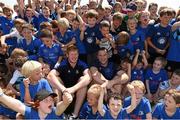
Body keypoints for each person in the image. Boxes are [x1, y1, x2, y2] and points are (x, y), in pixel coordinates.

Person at [47, 45, 91, 118]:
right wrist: (64, 89)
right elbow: (50, 76)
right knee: (56, 80)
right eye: (72, 54)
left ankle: (75, 115)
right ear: (67, 55)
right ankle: (59, 112)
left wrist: (73, 89)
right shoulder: (63, 64)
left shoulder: (81, 64)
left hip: (76, 92)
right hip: (64, 92)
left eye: (76, 54)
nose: (74, 56)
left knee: (84, 80)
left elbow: (89, 77)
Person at [0, 87, 72, 119]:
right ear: (38, 104)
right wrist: (2, 96)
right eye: (46, 100)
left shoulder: (55, 112)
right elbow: (18, 105)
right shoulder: (31, 113)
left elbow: (60, 107)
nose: (50, 102)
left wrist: (65, 102)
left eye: (51, 100)